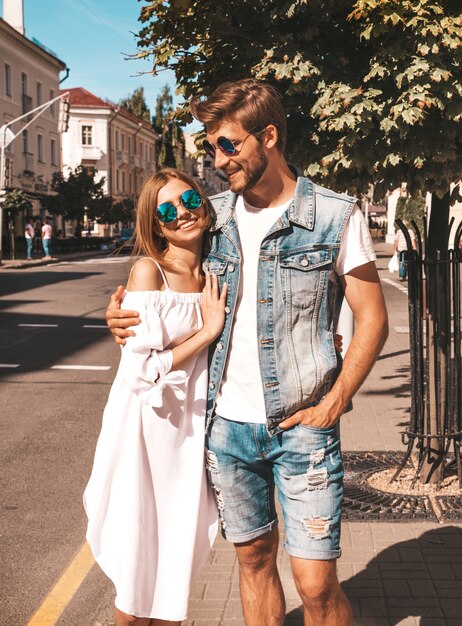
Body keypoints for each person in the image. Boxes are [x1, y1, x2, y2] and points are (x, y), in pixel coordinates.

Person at [106, 79, 389, 626]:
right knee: (254, 561)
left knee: (316, 583)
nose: (217, 159)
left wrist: (336, 402)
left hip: (304, 425)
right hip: (226, 429)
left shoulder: (335, 215)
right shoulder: (211, 218)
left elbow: (374, 318)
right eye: (211, 147)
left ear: (270, 137)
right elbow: (163, 271)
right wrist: (119, 307)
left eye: (228, 145)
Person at [84, 168, 228, 625]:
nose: (182, 214)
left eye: (189, 200)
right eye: (167, 211)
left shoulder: (219, 264)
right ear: (154, 224)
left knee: (174, 574)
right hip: (143, 436)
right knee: (138, 571)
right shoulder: (150, 271)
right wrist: (207, 331)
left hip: (188, 435)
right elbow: (143, 370)